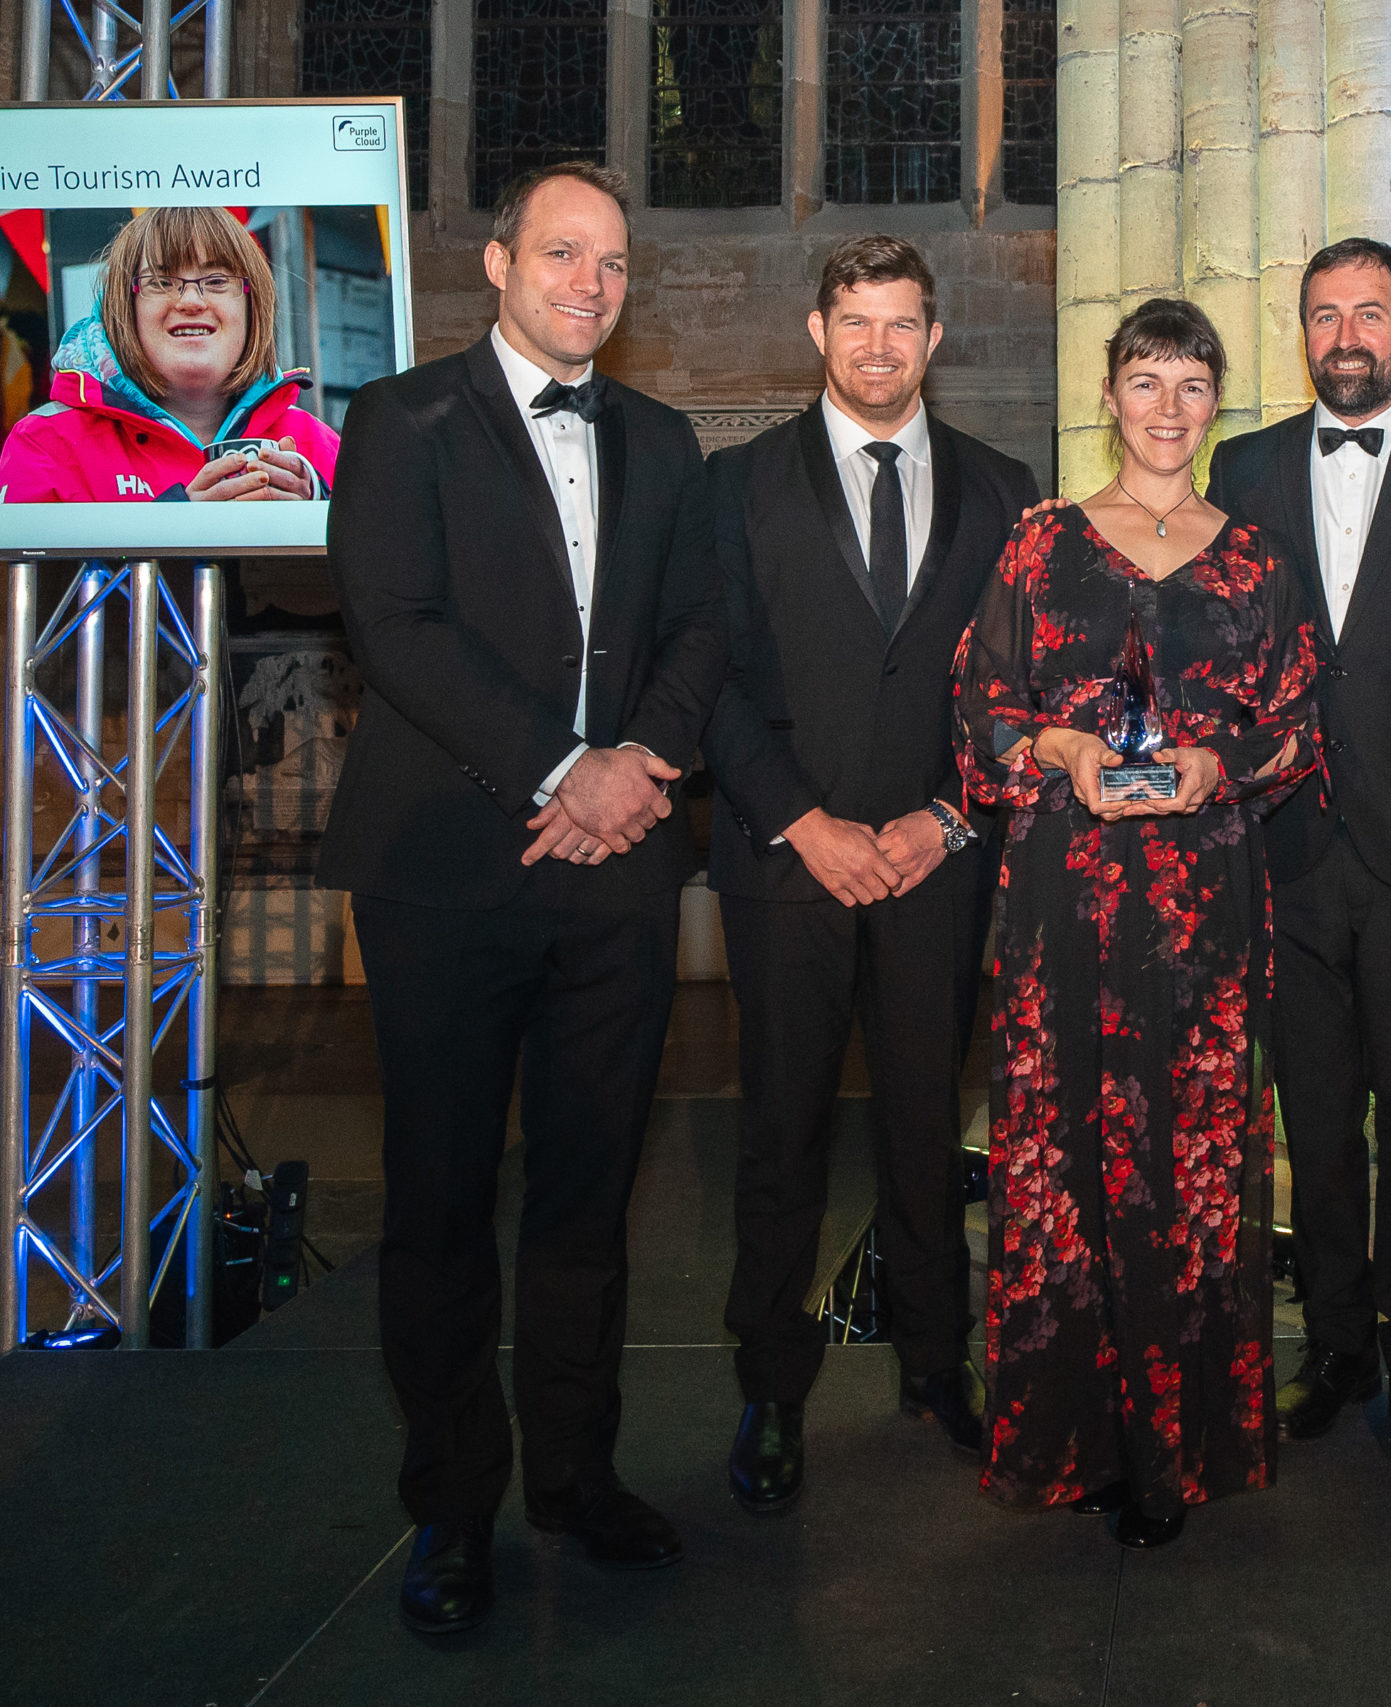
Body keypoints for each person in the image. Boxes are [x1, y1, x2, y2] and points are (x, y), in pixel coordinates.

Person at [319, 161, 724, 1634]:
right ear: (497, 264)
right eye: (563, 253)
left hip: (616, 878)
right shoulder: (399, 420)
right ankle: (450, 1508)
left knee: (587, 1196)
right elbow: (398, 625)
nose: (589, 284)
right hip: (445, 870)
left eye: (613, 263)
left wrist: (641, 769)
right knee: (435, 1203)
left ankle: (575, 1472)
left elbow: (701, 625)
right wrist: (565, 768)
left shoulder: (671, 443)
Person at [959, 297, 1321, 1548]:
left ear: (1217, 402)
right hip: (1064, 895)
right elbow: (983, 715)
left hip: (1206, 902)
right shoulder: (1039, 545)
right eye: (1144, 382)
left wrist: (1226, 766)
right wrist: (1058, 745)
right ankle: (1073, 1443)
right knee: (1061, 1161)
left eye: (1191, 385)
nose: (1167, 408)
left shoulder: (1259, 559)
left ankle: (1184, 1448)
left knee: (1199, 1165)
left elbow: (1296, 721)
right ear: (1107, 396)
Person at [700, 234, 1037, 1514]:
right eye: (856, 321)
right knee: (779, 1135)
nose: (879, 347)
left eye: (902, 324)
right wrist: (804, 821)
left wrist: (951, 817)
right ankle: (771, 1392)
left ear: (935, 339)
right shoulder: (733, 487)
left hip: (937, 867)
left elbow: (1023, 691)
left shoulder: (1004, 491)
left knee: (922, 1130)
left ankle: (936, 1369)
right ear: (816, 331)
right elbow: (707, 677)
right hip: (787, 865)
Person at [1202, 238, 1391, 1470]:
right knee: (1312, 1121)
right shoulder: (1244, 465)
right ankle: (1329, 1347)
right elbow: (1218, 666)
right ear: (1303, 334)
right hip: (1282, 847)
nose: (1345, 337)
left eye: (1366, 315)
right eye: (1323, 316)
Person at [0, 206, 337, 503]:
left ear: (253, 307)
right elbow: (31, 577)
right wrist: (177, 526)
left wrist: (318, 512)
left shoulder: (319, 447)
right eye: (161, 282)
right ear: (124, 309)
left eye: (217, 280)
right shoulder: (46, 445)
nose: (191, 301)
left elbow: (376, 569)